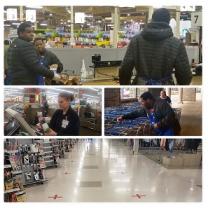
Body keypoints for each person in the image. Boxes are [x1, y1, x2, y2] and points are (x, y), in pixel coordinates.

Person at [119, 8, 192, 85]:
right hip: (165, 85)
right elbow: (185, 74)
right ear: (168, 21)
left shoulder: (136, 41)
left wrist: (126, 85)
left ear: (152, 19)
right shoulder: (176, 44)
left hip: (140, 84)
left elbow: (125, 69)